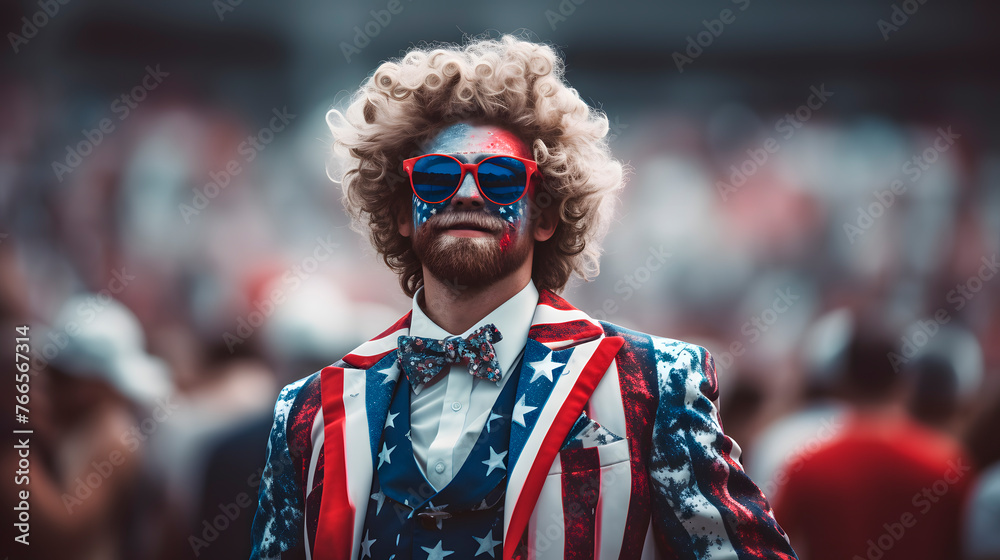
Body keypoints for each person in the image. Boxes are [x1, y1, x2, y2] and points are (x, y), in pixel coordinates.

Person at [249, 35, 797, 560]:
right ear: (399, 212)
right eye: (437, 177)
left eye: (502, 177)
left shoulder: (654, 384)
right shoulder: (308, 412)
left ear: (548, 214)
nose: (466, 191)